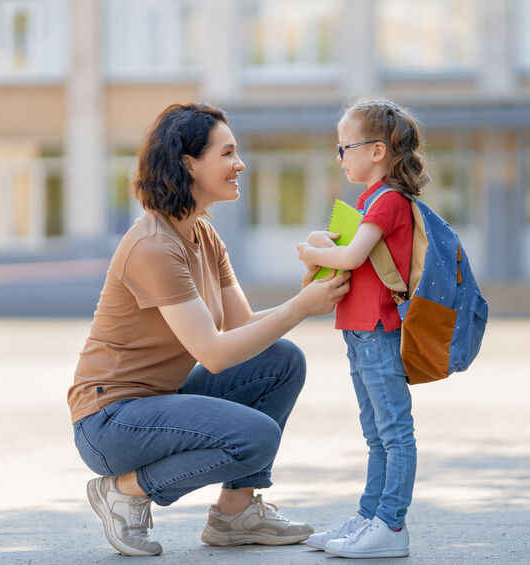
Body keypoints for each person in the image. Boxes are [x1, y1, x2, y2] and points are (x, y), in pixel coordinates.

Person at [67, 102, 351, 557]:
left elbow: (241, 328)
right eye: (228, 153)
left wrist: (304, 300)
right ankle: (124, 490)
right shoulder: (153, 245)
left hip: (160, 404)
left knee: (281, 359)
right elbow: (215, 354)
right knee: (257, 437)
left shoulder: (203, 235)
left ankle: (235, 514)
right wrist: (298, 308)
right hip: (111, 424)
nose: (240, 164)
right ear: (188, 164)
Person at [296, 98, 430, 559]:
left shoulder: (389, 200)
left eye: (344, 148)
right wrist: (320, 244)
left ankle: (391, 526)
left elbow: (351, 257)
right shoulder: (369, 199)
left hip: (378, 329)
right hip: (359, 329)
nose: (340, 157)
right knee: (376, 433)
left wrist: (311, 253)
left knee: (394, 433)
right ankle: (371, 515)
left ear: (376, 151)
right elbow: (353, 254)